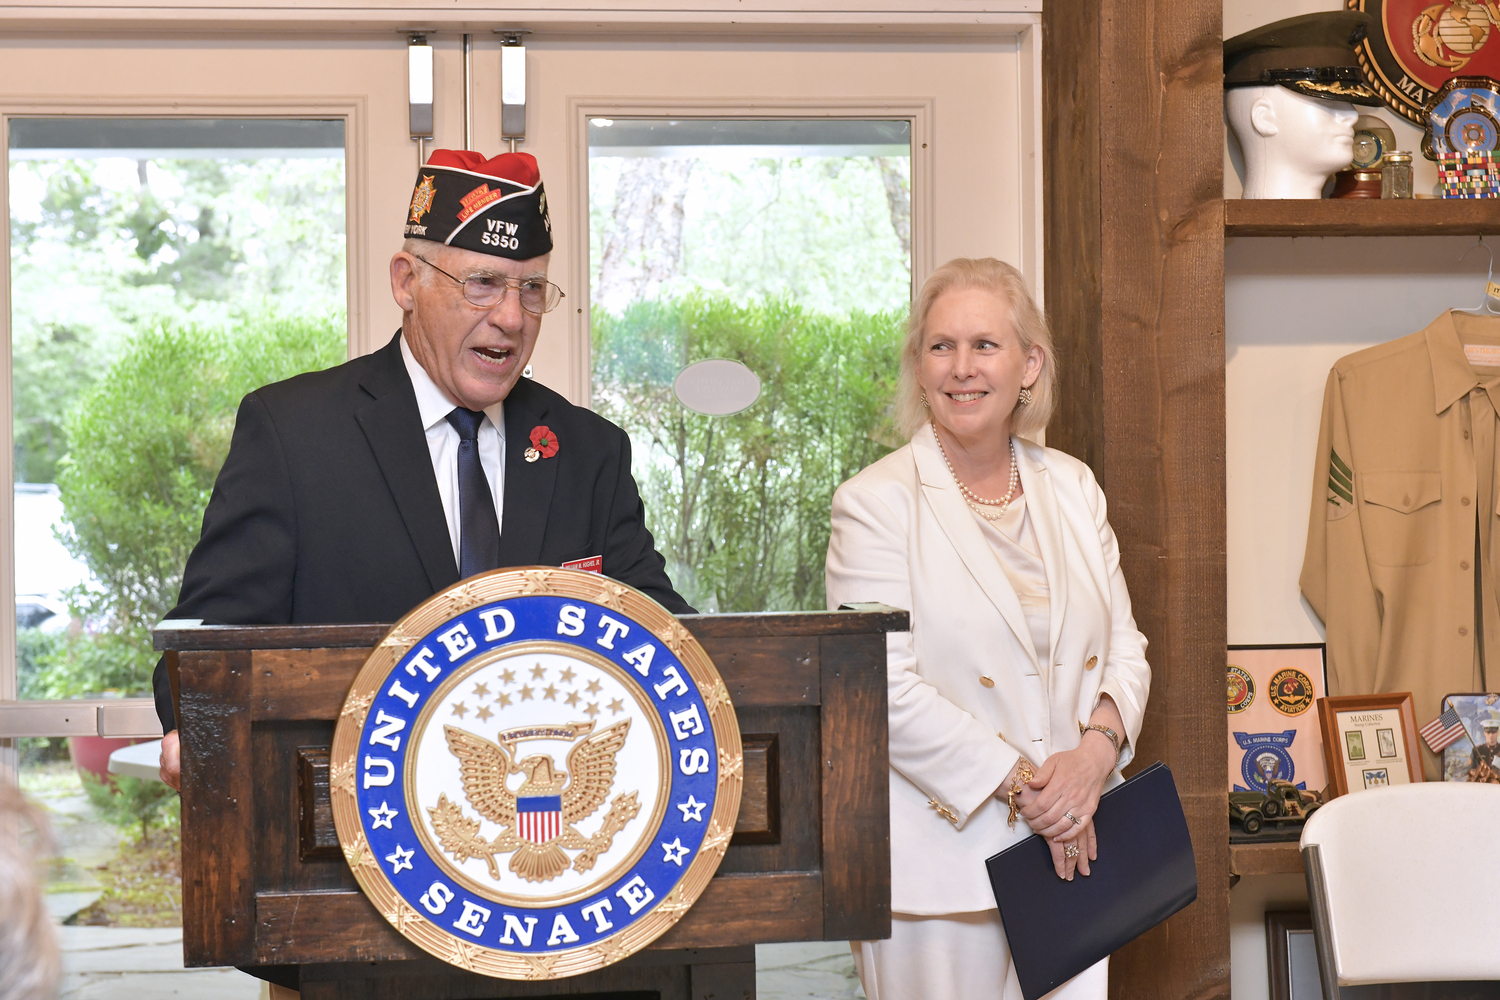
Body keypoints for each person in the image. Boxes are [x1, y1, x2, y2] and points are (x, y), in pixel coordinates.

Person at [154, 149, 691, 789]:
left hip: (539, 833)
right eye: (482, 284)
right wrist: (197, 720)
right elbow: (208, 646)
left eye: (532, 288)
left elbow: (670, 640)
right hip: (341, 832)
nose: (512, 318)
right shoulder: (294, 434)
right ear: (407, 282)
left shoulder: (587, 450)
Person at [825, 258, 1151, 1000]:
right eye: (941, 347)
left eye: (986, 346)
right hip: (940, 871)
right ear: (918, 365)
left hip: (1077, 852)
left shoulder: (1073, 485)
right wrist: (1034, 789)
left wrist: (1094, 759)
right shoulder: (873, 503)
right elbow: (881, 689)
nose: (962, 369)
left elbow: (1125, 647)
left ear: (1029, 363)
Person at [1470, 718, 1500, 783]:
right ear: (1484, 733)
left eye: (1493, 732)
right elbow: (1471, 769)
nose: (1491, 735)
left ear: (1497, 732)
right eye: (1488, 732)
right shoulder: (1477, 750)